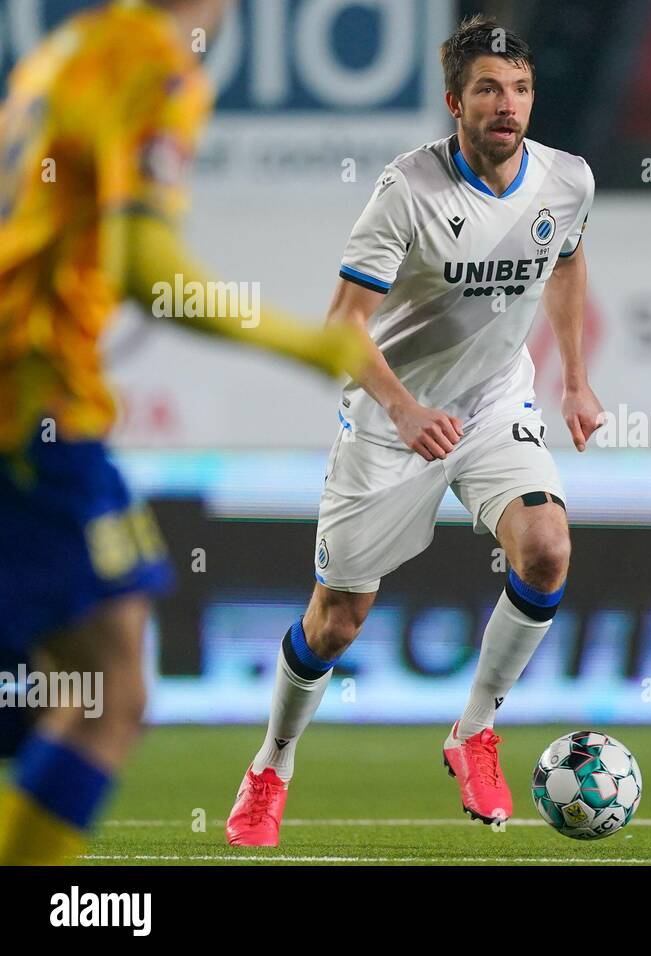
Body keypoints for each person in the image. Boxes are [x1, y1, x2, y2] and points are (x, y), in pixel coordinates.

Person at [0, 0, 364, 865]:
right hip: (29, 398)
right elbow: (147, 269)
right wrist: (312, 342)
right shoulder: (158, 62)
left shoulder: (62, 53)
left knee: (55, 688)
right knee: (108, 692)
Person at [226, 14, 603, 846]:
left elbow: (567, 260)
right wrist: (402, 407)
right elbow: (341, 324)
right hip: (393, 419)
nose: (509, 106)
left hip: (496, 403)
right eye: (488, 91)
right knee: (337, 621)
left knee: (545, 548)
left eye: (521, 89)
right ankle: (271, 766)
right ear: (453, 103)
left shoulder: (566, 181)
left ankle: (474, 732)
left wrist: (574, 379)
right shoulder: (407, 189)